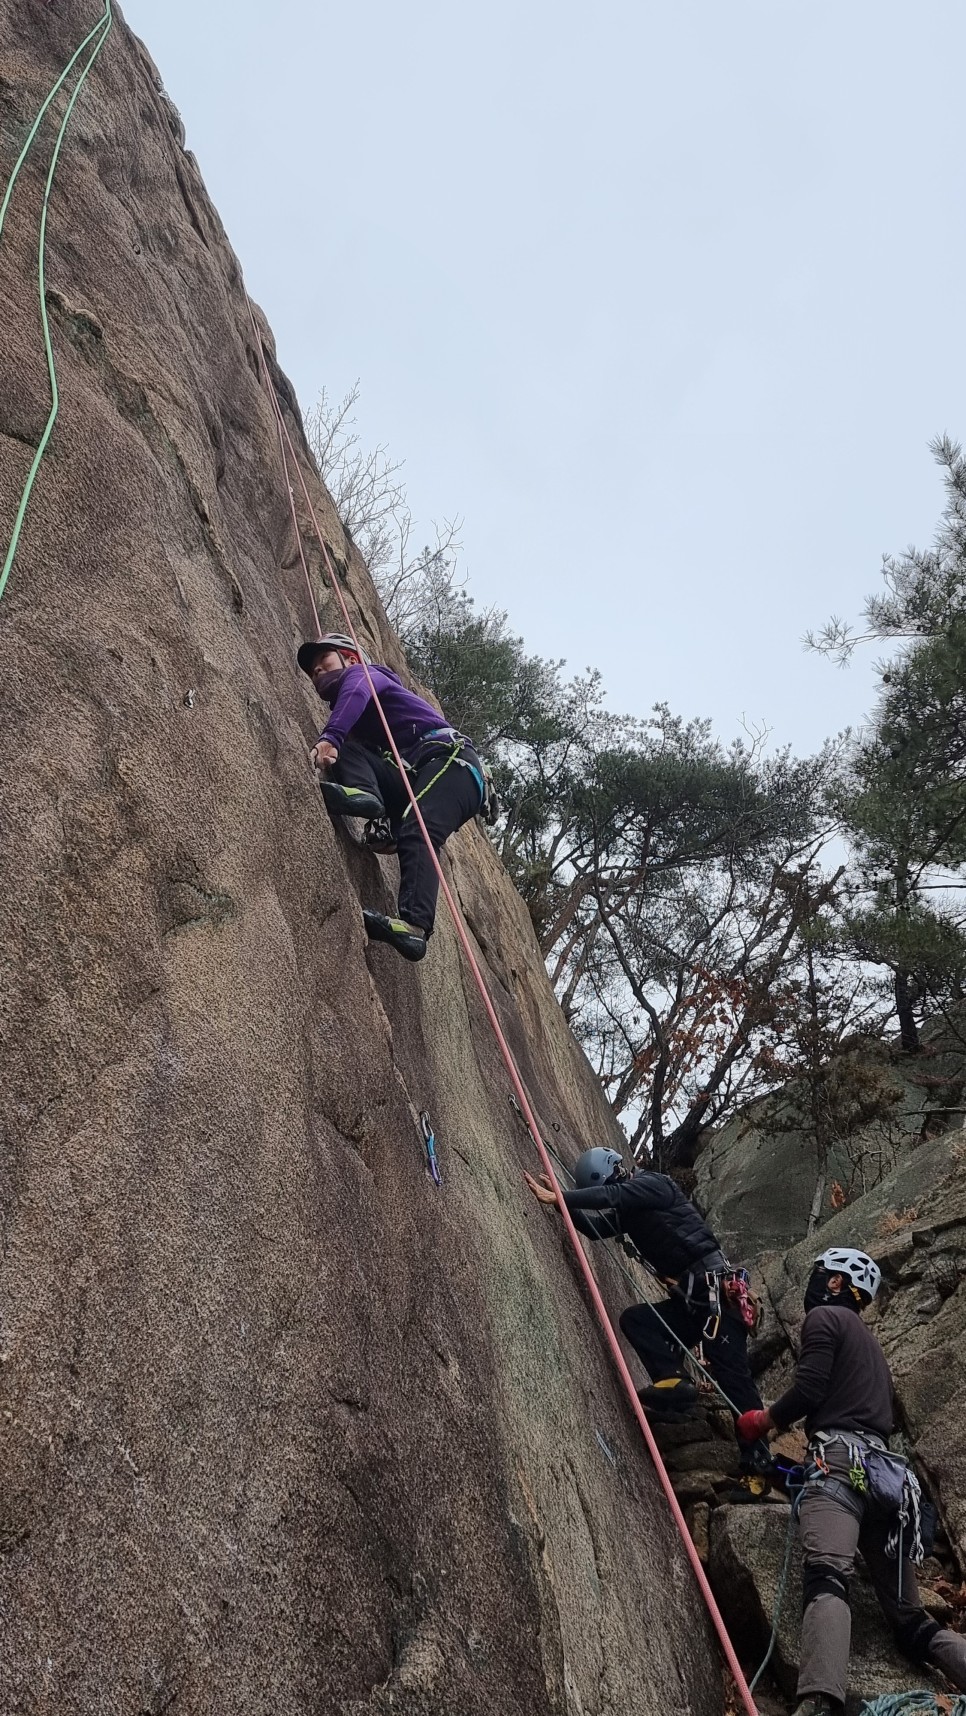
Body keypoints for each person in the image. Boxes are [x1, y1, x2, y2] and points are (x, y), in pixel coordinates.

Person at [736, 1246, 966, 1716]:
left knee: (827, 1576)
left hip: (840, 1468)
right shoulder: (874, 1349)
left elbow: (810, 1389)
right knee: (910, 1621)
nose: (816, 1283)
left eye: (821, 1274)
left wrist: (763, 1421)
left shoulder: (824, 1318)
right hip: (891, 1485)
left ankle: (819, 1700)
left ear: (837, 1283)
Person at [524, 1147, 765, 1441]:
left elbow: (612, 1197)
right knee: (638, 1321)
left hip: (716, 1299)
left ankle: (758, 1460)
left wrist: (563, 1196)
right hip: (694, 1303)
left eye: (609, 1184)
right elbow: (597, 1228)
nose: (611, 1191)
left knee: (734, 1379)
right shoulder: (630, 1210)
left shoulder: (654, 1184)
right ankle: (673, 1380)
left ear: (617, 1172)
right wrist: (563, 1205)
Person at [298, 634, 485, 961]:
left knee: (421, 826)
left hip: (451, 762)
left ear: (351, 658)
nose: (318, 675)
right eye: (312, 673)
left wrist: (330, 737)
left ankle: (415, 926)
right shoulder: (362, 719)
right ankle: (366, 797)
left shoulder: (366, 674)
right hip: (416, 771)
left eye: (323, 664)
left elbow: (357, 692)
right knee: (353, 749)